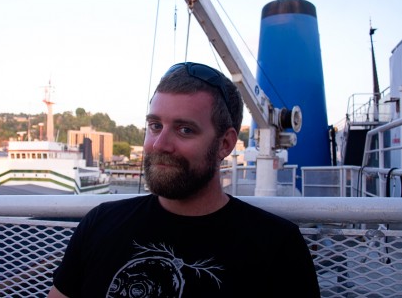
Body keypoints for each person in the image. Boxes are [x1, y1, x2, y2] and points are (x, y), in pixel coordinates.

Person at [48, 62, 320, 297]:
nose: (159, 144)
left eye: (185, 129)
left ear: (225, 144)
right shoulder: (99, 224)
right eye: (155, 126)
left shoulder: (277, 248)